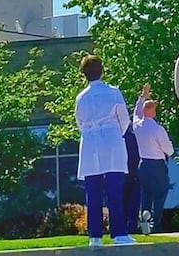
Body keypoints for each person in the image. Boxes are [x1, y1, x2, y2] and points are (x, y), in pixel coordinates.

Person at [74, 56, 134, 246]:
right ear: (102, 70)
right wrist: (115, 132)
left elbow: (80, 122)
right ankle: (119, 234)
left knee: (93, 193)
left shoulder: (81, 97)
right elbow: (124, 120)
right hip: (111, 142)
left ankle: (95, 236)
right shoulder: (113, 92)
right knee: (114, 190)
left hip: (90, 144)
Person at [132, 85, 175, 234]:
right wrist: (170, 147)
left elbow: (136, 112)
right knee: (160, 194)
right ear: (151, 111)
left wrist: (143, 96)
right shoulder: (158, 129)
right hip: (157, 164)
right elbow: (168, 150)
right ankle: (155, 224)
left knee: (146, 195)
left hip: (143, 163)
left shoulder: (137, 125)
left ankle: (144, 222)